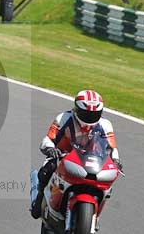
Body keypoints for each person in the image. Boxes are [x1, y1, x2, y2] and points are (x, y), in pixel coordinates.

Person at [30, 89, 122, 220]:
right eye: (86, 113)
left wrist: (116, 161)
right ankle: (38, 201)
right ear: (77, 109)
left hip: (92, 159)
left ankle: (95, 214)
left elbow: (112, 148)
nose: (90, 117)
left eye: (94, 114)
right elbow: (48, 139)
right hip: (63, 155)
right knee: (46, 170)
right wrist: (50, 149)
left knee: (107, 178)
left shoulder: (105, 125)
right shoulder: (63, 118)